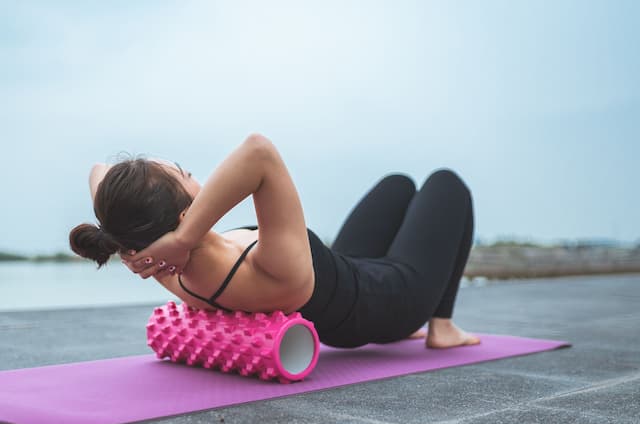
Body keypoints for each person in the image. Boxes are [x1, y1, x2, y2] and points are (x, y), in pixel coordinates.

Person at [70, 133, 480, 349]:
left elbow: (98, 170)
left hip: (349, 274)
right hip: (393, 304)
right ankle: (440, 325)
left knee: (398, 185)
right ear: (184, 217)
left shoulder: (171, 271)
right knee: (446, 184)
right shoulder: (261, 268)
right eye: (187, 173)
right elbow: (259, 151)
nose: (200, 178)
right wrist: (185, 236)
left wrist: (143, 243)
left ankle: (434, 320)